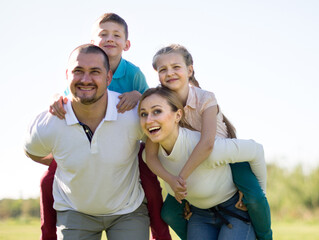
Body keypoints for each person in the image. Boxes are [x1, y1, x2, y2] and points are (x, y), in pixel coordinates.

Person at [43, 13, 171, 240]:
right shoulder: (83, 72)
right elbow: (66, 98)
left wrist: (136, 95)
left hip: (127, 146)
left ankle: (161, 235)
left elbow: (151, 102)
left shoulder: (132, 73)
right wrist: (55, 97)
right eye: (103, 34)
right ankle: (48, 235)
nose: (110, 39)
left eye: (116, 35)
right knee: (47, 181)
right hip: (83, 142)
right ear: (93, 42)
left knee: (149, 182)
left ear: (127, 44)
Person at [144, 44, 272, 240]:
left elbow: (207, 144)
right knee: (169, 212)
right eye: (163, 70)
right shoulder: (160, 103)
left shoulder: (205, 98)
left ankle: (265, 236)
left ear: (190, 70)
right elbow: (150, 155)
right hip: (194, 165)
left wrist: (182, 178)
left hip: (226, 157)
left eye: (176, 67)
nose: (169, 73)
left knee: (253, 198)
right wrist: (172, 181)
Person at [24, 44, 150, 240]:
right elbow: (31, 150)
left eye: (95, 72)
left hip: (128, 211)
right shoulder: (49, 122)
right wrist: (64, 161)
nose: (85, 79)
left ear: (108, 77)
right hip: (74, 211)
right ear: (67, 75)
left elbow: (161, 142)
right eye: (78, 71)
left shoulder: (133, 115)